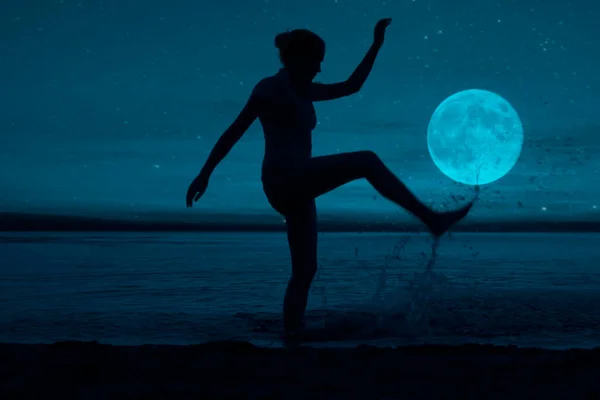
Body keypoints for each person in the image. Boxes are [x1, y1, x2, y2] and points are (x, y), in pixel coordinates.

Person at [186, 18, 474, 340]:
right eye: (316, 61)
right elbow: (235, 130)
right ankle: (431, 219)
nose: (320, 69)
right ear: (297, 58)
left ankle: (292, 334)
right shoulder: (269, 88)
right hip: (283, 178)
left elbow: (352, 86)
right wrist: (204, 174)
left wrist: (376, 45)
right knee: (367, 160)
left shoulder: (305, 91)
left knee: (305, 270)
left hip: (301, 185)